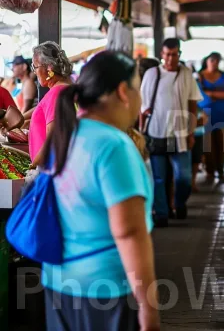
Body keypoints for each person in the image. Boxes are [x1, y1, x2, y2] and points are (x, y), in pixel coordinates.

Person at [39, 51, 159, 331]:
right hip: (104, 291)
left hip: (58, 283)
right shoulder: (114, 145)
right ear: (123, 91)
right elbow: (129, 232)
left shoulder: (66, 134)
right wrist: (148, 308)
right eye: (138, 89)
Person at [141, 38, 201, 227]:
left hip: (180, 134)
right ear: (161, 54)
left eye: (174, 54)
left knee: (183, 177)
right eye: (167, 54)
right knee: (159, 178)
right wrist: (142, 132)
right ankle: (161, 214)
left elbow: (193, 104)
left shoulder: (186, 74)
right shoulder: (152, 74)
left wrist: (191, 132)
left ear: (179, 55)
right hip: (156, 132)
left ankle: (179, 202)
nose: (170, 59)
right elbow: (143, 107)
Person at [29, 42, 72, 167]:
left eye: (35, 67)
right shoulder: (64, 89)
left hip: (49, 170)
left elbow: (53, 139)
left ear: (49, 68)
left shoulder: (57, 93)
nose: (34, 72)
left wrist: (33, 167)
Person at [198, 52, 224, 184]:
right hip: (206, 114)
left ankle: (221, 170)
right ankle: (210, 172)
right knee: (208, 144)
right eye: (212, 60)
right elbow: (200, 95)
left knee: (222, 143)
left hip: (222, 113)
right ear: (207, 60)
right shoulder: (200, 76)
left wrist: (211, 93)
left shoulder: (223, 75)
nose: (214, 63)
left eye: (217, 60)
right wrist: (218, 94)